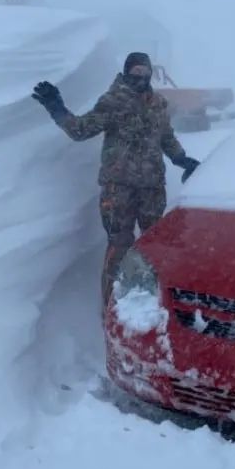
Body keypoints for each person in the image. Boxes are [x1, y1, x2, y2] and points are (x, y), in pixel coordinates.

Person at [32, 52, 200, 304]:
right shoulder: (113, 101)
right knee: (120, 245)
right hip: (118, 188)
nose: (140, 77)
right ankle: (112, 303)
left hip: (152, 188)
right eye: (135, 72)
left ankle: (152, 299)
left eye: (145, 72)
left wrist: (181, 159)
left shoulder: (158, 104)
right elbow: (80, 130)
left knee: (153, 244)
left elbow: (166, 137)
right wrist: (57, 108)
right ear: (126, 72)